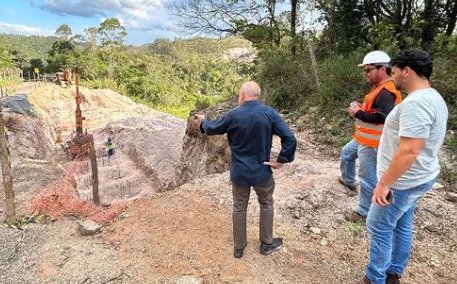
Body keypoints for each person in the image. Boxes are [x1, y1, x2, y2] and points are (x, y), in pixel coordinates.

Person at [360, 49, 448, 284]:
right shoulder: (434, 97)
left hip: (403, 181)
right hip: (419, 176)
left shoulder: (416, 104)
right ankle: (393, 272)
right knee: (402, 223)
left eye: (396, 71)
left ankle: (375, 277)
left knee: (378, 225)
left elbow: (410, 150)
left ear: (407, 71)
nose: (393, 75)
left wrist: (384, 184)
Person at [195, 81, 296, 259]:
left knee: (239, 207)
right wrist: (281, 160)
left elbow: (211, 129)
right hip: (262, 172)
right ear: (258, 96)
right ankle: (266, 244)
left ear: (242, 95)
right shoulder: (270, 113)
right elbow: (290, 139)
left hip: (239, 173)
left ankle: (239, 248)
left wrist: (203, 121)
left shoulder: (233, 115)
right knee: (266, 204)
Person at [344, 51, 402, 222]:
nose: (366, 74)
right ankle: (347, 180)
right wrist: (360, 110)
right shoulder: (380, 89)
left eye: (368, 70)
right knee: (346, 153)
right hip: (362, 138)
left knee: (367, 177)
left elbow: (384, 117)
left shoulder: (386, 92)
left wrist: (358, 113)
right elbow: (374, 111)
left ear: (382, 69)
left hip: (372, 143)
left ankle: (364, 212)